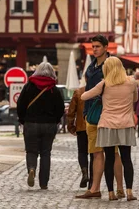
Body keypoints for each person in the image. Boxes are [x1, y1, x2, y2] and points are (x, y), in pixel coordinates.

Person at [81, 57, 138, 201]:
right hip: (126, 124)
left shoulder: (104, 84)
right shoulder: (131, 82)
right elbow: (135, 99)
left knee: (109, 158)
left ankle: (111, 193)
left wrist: (100, 95)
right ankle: (129, 192)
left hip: (107, 125)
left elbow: (84, 96)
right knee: (126, 159)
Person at [76, 35, 124, 199]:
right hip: (92, 115)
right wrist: (86, 113)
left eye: (97, 46)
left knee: (114, 153)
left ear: (105, 47)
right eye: (93, 46)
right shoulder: (91, 67)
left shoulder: (112, 65)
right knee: (96, 153)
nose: (94, 49)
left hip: (109, 115)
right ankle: (95, 188)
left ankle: (119, 188)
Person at [16, 62, 64, 190]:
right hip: (49, 125)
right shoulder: (54, 89)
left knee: (31, 151)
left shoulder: (29, 86)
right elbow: (60, 108)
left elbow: (20, 105)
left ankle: (31, 168)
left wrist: (22, 120)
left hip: (31, 123)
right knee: (45, 153)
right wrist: (56, 120)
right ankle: (44, 183)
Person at [67, 86, 90, 188]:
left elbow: (71, 111)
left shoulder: (78, 92)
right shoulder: (100, 89)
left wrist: (71, 125)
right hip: (96, 127)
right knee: (96, 154)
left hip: (81, 127)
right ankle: (93, 180)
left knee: (82, 152)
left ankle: (85, 172)